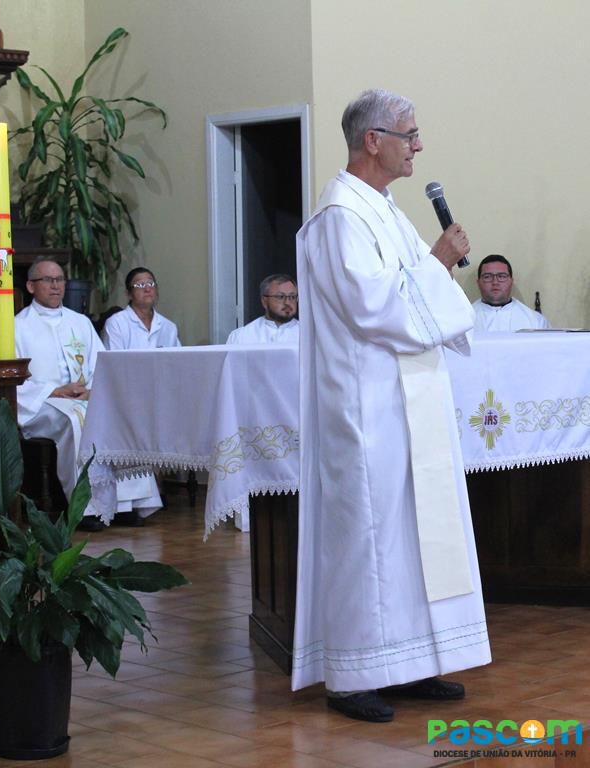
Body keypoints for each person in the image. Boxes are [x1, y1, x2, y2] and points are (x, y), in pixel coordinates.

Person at [292, 89, 491, 723]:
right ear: (372, 140)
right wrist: (437, 261)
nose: (419, 145)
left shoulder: (385, 209)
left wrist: (435, 269)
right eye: (409, 133)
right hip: (366, 407)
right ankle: (352, 675)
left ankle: (407, 663)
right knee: (368, 537)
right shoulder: (339, 216)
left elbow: (414, 296)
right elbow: (372, 305)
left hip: (408, 402)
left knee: (410, 536)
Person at [15, 259, 161, 530]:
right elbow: (16, 381)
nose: (56, 286)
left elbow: (99, 364)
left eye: (60, 279)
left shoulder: (79, 322)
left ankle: (125, 505)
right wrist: (55, 390)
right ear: (31, 286)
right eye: (48, 280)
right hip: (42, 404)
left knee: (118, 414)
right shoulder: (18, 326)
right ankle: (87, 508)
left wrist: (92, 390)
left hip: (83, 398)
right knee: (77, 419)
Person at [102, 267, 181, 349]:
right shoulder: (116, 323)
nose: (147, 289)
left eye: (151, 284)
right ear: (128, 294)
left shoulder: (169, 327)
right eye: (140, 285)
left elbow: (179, 360)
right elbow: (113, 360)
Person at [473, 254, 551, 332]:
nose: (495, 282)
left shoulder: (536, 321)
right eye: (487, 277)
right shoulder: (464, 319)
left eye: (502, 276)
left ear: (511, 281)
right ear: (478, 282)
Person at [226, 274, 299, 344]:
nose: (287, 302)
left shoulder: (307, 334)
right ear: (264, 301)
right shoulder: (241, 336)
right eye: (280, 297)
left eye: (292, 297)